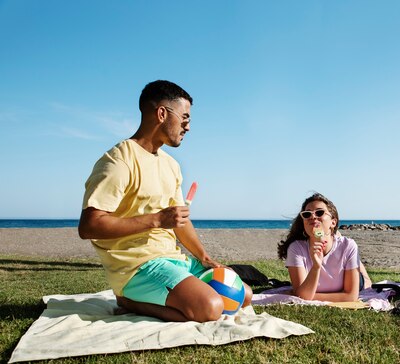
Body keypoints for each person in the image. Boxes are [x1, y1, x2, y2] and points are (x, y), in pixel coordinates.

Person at [78, 80, 252, 322]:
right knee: (210, 308)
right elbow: (89, 226)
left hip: (173, 260)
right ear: (162, 113)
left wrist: (204, 258)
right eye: (185, 118)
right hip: (138, 266)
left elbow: (179, 221)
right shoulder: (119, 161)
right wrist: (157, 220)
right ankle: (128, 301)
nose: (188, 127)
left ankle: (173, 297)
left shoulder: (171, 165)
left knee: (243, 296)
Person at [277, 193, 371, 302]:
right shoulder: (296, 249)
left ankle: (360, 267)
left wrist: (309, 296)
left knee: (367, 283)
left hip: (353, 276)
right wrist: (316, 266)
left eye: (319, 212)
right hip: (335, 267)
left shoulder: (348, 246)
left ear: (333, 222)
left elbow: (351, 296)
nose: (313, 216)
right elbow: (301, 296)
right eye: (307, 214)